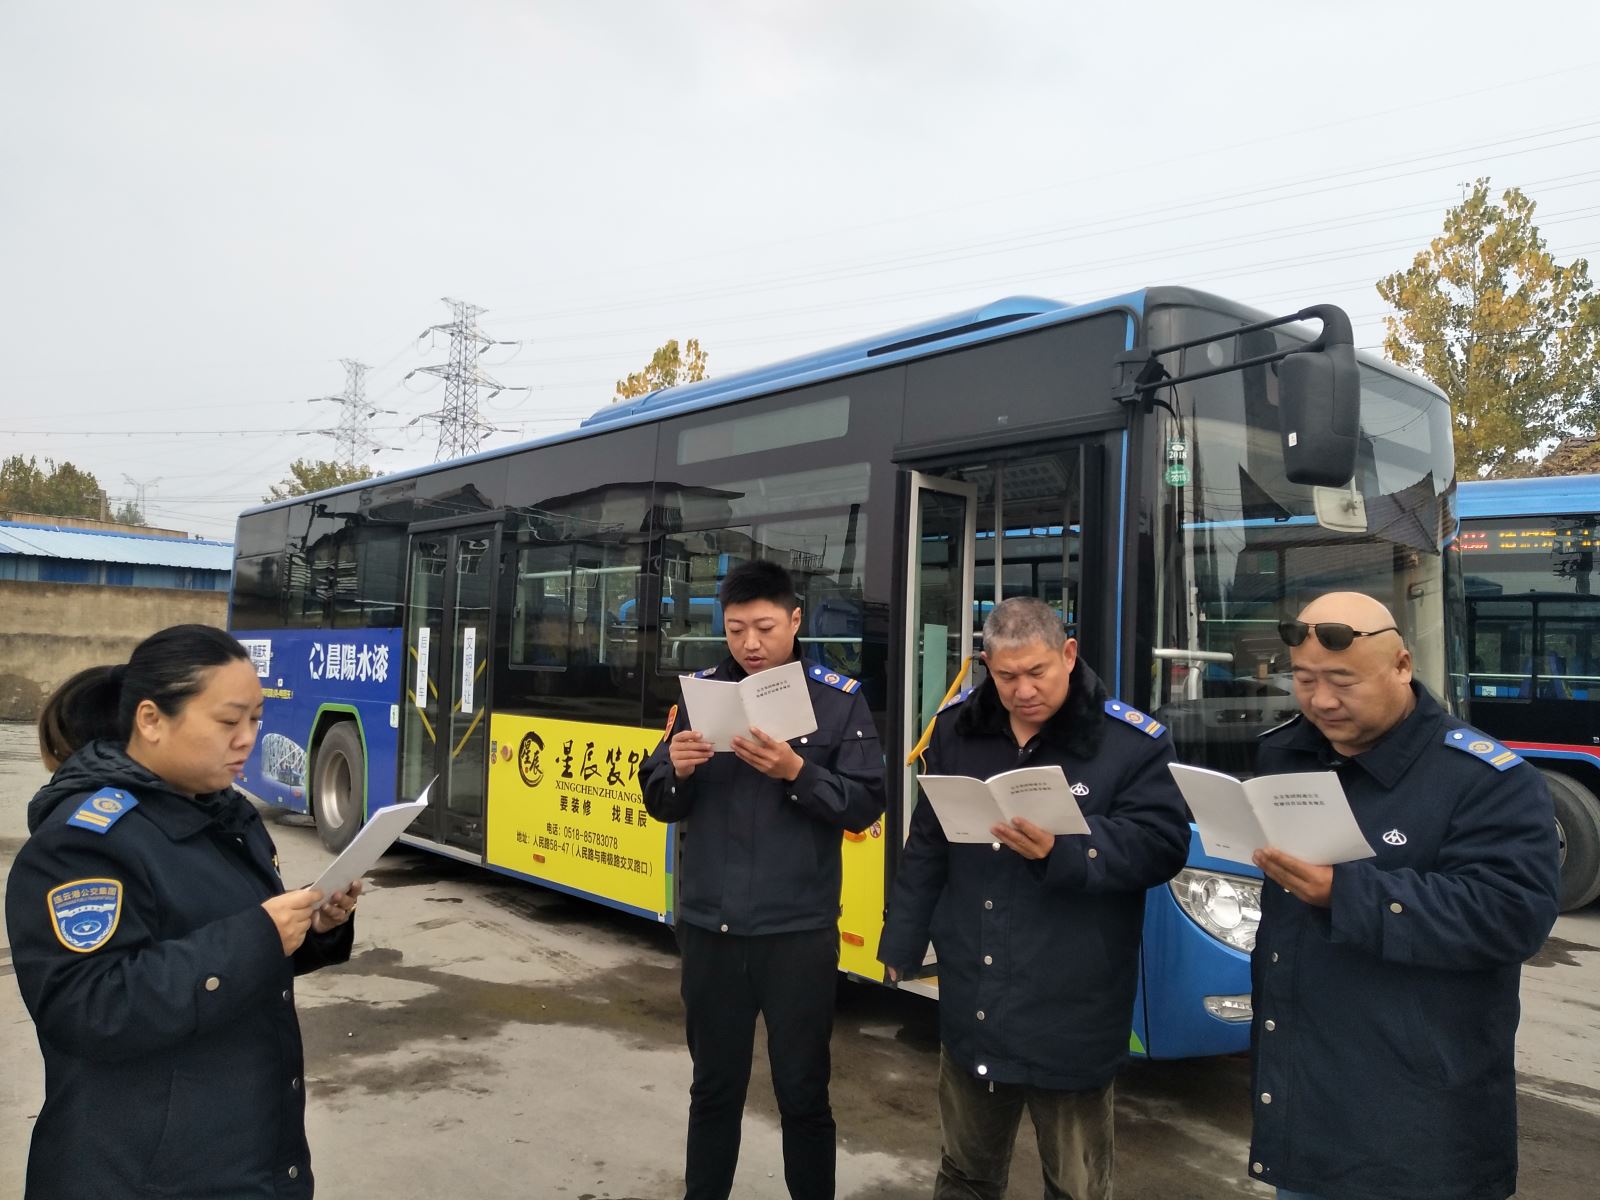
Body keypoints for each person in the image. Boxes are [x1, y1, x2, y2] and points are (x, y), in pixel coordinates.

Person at [6, 625, 362, 1199]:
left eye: (256, 718)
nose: (247, 739)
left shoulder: (222, 813)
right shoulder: (85, 842)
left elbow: (220, 944)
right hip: (146, 1176)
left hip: (247, 1155)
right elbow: (91, 1007)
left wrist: (313, 925)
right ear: (150, 720)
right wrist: (259, 936)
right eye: (228, 721)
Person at [1247, 592, 1559, 1200]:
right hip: (1303, 1105)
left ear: (1401, 666)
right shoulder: (1286, 754)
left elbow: (1513, 915)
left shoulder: (1485, 779)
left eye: (1343, 681)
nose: (1321, 700)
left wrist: (1345, 893)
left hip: (1421, 1127)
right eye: (1304, 680)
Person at [879, 597, 1190, 1200]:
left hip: (1072, 1001)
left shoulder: (1129, 742)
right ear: (986, 667)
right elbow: (928, 844)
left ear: (1068, 655)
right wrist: (903, 939)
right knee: (965, 1174)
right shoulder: (957, 729)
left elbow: (1162, 845)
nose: (1022, 691)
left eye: (1036, 672)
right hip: (975, 995)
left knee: (1076, 1185)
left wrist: (1065, 848)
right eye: (1006, 676)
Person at [641, 560, 886, 1200]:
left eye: (765, 628)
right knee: (712, 1090)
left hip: (797, 935)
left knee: (803, 1093)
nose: (750, 643)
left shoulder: (838, 701)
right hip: (710, 930)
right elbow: (658, 798)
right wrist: (678, 769)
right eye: (735, 629)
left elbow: (865, 804)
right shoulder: (701, 697)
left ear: (795, 620)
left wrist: (796, 771)